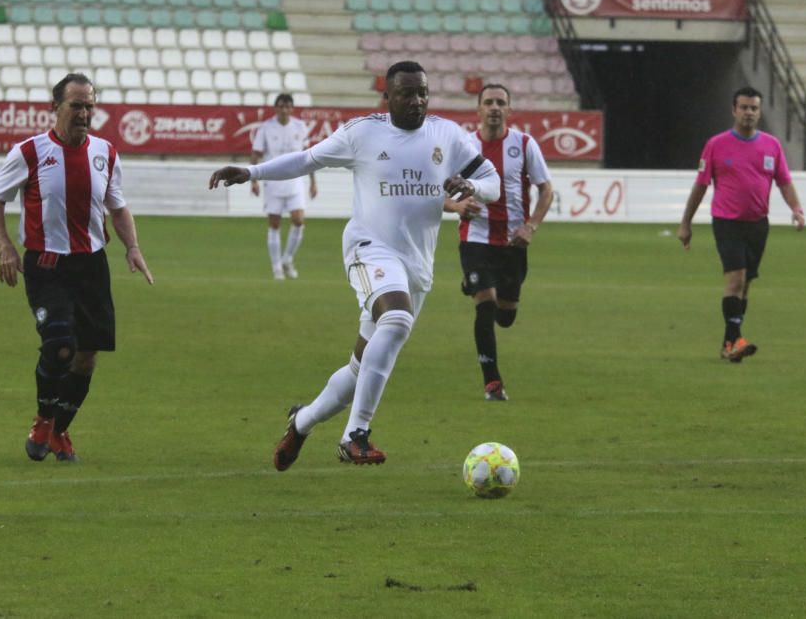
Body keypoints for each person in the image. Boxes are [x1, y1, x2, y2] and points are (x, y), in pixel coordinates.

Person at [210, 61, 501, 470]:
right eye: (406, 93)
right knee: (396, 319)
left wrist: (472, 186)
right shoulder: (363, 132)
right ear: (388, 96)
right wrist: (251, 171)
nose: (416, 100)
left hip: (417, 264)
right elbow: (306, 160)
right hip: (369, 248)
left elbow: (492, 180)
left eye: (422, 92)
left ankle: (302, 422)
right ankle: (355, 434)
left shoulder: (447, 135)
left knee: (358, 369)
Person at [0, 73, 154, 463]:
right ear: (55, 107)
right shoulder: (29, 152)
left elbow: (117, 205)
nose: (84, 112)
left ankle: (60, 431)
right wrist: (4, 245)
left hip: (92, 264)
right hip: (47, 264)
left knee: (87, 356)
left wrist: (132, 247)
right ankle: (44, 418)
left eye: (90, 105)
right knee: (60, 346)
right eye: (76, 105)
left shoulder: (106, 152)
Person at [678, 86, 805, 362]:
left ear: (759, 112)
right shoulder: (716, 145)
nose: (749, 112)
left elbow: (784, 181)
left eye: (754, 108)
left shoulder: (772, 145)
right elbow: (700, 186)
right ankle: (736, 339)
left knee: (745, 285)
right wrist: (685, 223)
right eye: (744, 107)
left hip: (758, 224)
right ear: (734, 110)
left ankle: (728, 343)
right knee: (735, 280)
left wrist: (796, 209)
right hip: (727, 222)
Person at [443, 83, 553, 401]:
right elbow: (435, 191)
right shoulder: (464, 146)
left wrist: (530, 227)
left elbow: (546, 190)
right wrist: (457, 206)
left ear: (509, 110)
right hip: (475, 238)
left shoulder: (524, 144)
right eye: (488, 102)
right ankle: (492, 383)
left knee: (505, 316)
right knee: (486, 304)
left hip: (513, 244)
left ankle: (474, 283)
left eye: (500, 103)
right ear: (478, 109)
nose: (494, 107)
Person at [249, 93, 317, 279]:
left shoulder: (300, 126)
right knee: (274, 224)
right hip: (273, 180)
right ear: (276, 108)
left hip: (295, 180)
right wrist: (253, 180)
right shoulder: (266, 128)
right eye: (281, 106)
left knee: (298, 220)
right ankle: (276, 266)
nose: (285, 110)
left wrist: (312, 181)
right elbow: (256, 153)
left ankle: (287, 258)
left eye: (288, 106)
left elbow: (308, 156)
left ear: (292, 108)